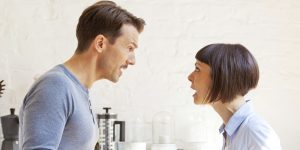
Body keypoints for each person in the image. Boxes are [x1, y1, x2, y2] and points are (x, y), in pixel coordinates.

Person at [19, 1, 145, 149]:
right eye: (129, 48)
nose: (132, 61)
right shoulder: (55, 86)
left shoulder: (77, 90)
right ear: (100, 44)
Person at [188, 44, 281, 150]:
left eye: (197, 68)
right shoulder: (234, 132)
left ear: (222, 76)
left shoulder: (256, 133)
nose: (189, 77)